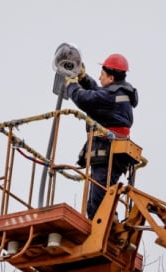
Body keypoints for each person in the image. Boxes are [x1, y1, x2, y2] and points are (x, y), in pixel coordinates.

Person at [65, 53, 138, 220]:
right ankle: (109, 224)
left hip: (108, 153)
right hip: (111, 154)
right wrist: (84, 78)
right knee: (99, 200)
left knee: (97, 204)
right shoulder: (119, 94)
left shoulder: (111, 96)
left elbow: (86, 99)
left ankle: (105, 231)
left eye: (102, 75)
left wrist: (72, 85)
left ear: (111, 78)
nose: (99, 78)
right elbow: (98, 92)